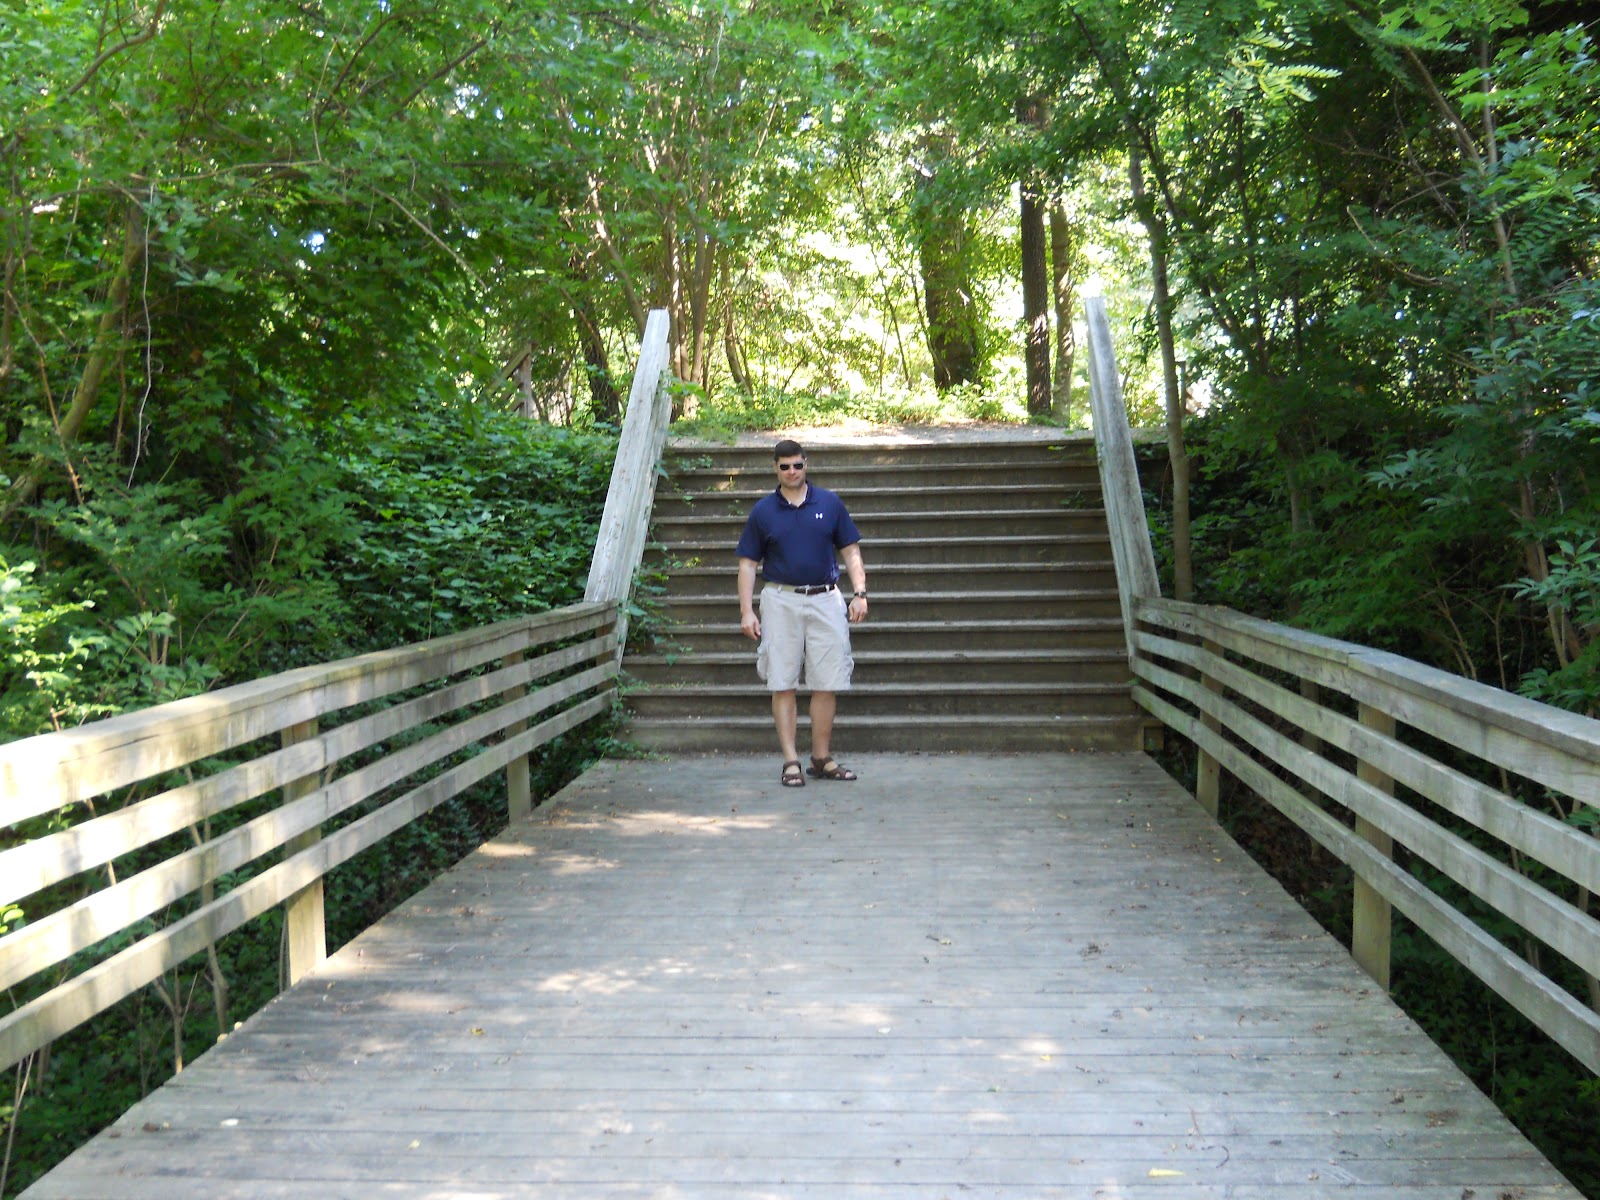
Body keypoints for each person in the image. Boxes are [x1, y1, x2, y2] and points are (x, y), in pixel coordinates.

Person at [736, 440, 869, 788]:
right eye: (785, 466)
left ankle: (821, 758)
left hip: (826, 598)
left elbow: (851, 550)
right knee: (782, 682)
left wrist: (860, 594)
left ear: (806, 464)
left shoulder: (829, 503)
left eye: (797, 465)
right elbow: (748, 564)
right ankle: (790, 760)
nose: (792, 472)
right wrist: (747, 611)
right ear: (775, 468)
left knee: (828, 682)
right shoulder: (763, 511)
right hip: (781, 600)